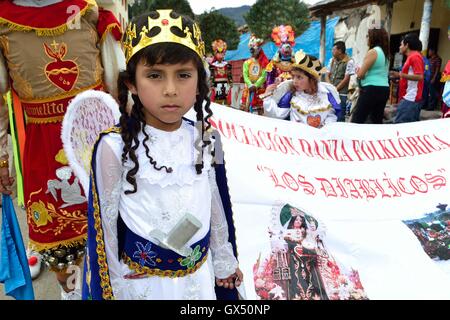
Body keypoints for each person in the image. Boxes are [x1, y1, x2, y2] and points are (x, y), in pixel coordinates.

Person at [82, 10, 242, 300]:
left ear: (199, 81)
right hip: (145, 284)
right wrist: (115, 287)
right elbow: (105, 227)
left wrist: (223, 259)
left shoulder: (208, 137)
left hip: (199, 278)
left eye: (183, 75)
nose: (170, 90)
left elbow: (215, 200)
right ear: (131, 83)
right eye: (154, 76)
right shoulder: (112, 146)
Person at [0, 0, 124, 299]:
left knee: (118, 238)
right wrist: (2, 158)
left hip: (101, 144)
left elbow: (121, 86)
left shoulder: (91, 12)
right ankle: (72, 294)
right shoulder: (3, 22)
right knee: (62, 250)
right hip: (43, 153)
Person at [262, 51, 339, 128]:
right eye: (293, 76)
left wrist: (325, 128)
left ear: (312, 79)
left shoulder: (325, 95)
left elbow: (331, 116)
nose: (294, 81)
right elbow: (276, 115)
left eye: (299, 77)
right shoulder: (292, 95)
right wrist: (267, 97)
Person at [351, 28, 390, 124]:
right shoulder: (385, 53)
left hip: (371, 89)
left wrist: (358, 71)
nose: (367, 39)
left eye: (368, 36)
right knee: (376, 120)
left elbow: (360, 75)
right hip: (384, 89)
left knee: (357, 119)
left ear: (374, 38)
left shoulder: (373, 52)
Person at [390, 33, 424, 123]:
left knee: (400, 128)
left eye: (401, 44)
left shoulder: (415, 56)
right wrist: (399, 75)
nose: (400, 47)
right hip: (408, 98)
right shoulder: (411, 57)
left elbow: (420, 77)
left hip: (411, 99)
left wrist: (400, 75)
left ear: (407, 45)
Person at [240, 35, 269, 115]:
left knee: (260, 113)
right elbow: (245, 75)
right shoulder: (246, 62)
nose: (252, 50)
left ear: (259, 48)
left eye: (255, 47)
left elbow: (264, 76)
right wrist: (250, 85)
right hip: (248, 89)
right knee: (247, 112)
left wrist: (256, 85)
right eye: (251, 48)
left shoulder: (264, 62)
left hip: (259, 89)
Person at [327, 41, 355, 121]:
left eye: (334, 49)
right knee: (329, 114)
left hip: (341, 93)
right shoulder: (331, 60)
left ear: (339, 51)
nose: (332, 51)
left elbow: (346, 79)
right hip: (330, 92)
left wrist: (335, 89)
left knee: (340, 116)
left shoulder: (349, 61)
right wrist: (330, 87)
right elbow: (327, 75)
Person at [209, 39, 233, 105]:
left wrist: (230, 83)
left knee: (226, 103)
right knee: (216, 103)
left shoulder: (227, 65)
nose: (220, 55)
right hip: (216, 86)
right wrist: (212, 85)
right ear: (215, 53)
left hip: (226, 86)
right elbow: (212, 77)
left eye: (222, 53)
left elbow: (229, 76)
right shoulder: (213, 66)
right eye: (218, 53)